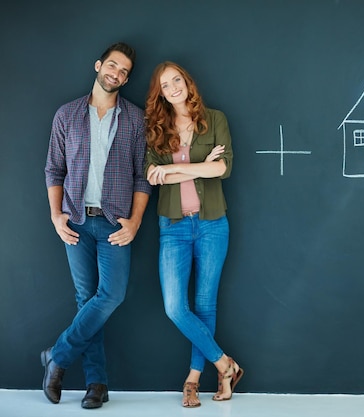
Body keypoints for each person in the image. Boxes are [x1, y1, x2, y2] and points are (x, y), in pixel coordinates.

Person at [42, 42, 151, 409]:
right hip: (74, 220)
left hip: (113, 224)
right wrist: (56, 215)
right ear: (98, 65)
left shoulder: (135, 119)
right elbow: (54, 170)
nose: (117, 74)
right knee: (86, 301)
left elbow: (141, 177)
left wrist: (135, 222)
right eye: (113, 66)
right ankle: (97, 385)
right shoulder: (67, 115)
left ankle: (57, 357)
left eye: (124, 72)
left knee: (110, 296)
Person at [144, 61, 243, 408]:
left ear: (187, 81)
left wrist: (173, 168)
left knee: (204, 305)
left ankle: (194, 378)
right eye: (165, 85)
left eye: (177, 80)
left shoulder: (214, 119)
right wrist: (198, 167)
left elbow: (223, 167)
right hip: (173, 226)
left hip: (213, 222)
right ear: (160, 94)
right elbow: (152, 177)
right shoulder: (157, 129)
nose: (173, 87)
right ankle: (224, 364)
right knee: (175, 307)